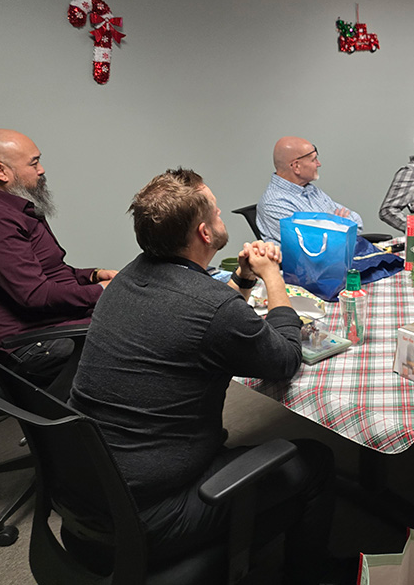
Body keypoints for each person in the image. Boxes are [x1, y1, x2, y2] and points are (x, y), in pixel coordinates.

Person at [70, 168, 335, 582]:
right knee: (316, 459)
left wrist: (244, 278)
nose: (220, 215)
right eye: (215, 211)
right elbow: (285, 357)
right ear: (205, 233)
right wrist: (271, 276)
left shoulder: (127, 279)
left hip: (91, 487)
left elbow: (204, 317)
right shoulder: (211, 306)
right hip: (152, 514)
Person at [0, 129, 117, 385]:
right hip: (33, 346)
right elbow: (35, 296)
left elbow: (52, 273)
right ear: (1, 172)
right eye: (34, 163)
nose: (41, 169)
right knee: (144, 344)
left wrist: (93, 275)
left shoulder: (18, 210)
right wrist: (101, 291)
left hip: (58, 325)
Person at [256, 136, 362, 244]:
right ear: (296, 166)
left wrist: (335, 227)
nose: (318, 164)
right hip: (319, 261)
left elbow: (356, 221)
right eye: (313, 159)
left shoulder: (310, 190)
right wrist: (338, 225)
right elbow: (313, 247)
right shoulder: (274, 204)